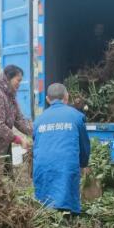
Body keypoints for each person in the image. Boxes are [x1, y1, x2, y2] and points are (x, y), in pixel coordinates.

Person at [32, 83, 91, 214]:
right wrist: (83, 164)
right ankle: (69, 220)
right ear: (67, 97)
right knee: (68, 203)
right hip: (67, 165)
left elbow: (36, 144)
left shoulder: (38, 120)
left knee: (44, 206)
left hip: (42, 167)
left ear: (47, 99)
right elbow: (84, 145)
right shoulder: (77, 116)